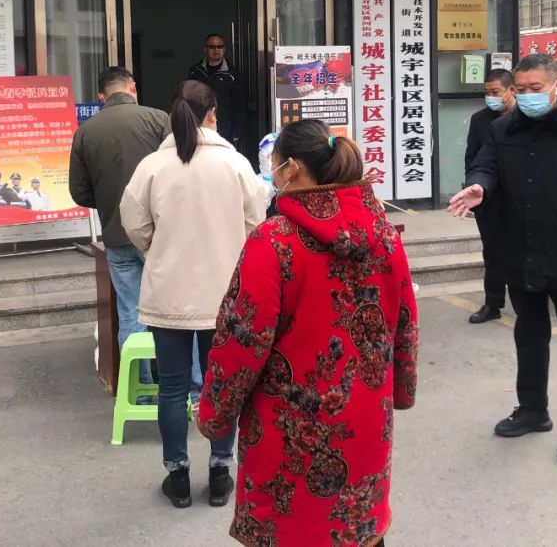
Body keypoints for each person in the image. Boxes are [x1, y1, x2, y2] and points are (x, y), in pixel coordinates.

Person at [198, 119, 419, 546]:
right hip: (367, 418)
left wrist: (216, 414)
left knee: (291, 529)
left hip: (291, 431)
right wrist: (403, 389)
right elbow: (405, 321)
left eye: (275, 163)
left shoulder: (273, 241)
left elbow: (241, 339)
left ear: (293, 168)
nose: (273, 171)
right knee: (358, 527)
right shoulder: (384, 235)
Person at [449, 54, 557, 465]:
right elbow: (485, 167)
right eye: (521, 89)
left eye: (536, 88)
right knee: (528, 338)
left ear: (555, 86)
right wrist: (479, 186)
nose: (527, 96)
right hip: (521, 253)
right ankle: (532, 410)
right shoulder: (501, 130)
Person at [120, 80, 267, 509]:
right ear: (213, 113)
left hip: (168, 295)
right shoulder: (235, 164)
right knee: (221, 386)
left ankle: (178, 476)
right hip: (224, 295)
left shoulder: (152, 166)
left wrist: (158, 248)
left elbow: (134, 224)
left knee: (171, 387)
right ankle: (220, 473)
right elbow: (256, 223)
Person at [69, 67, 168, 393]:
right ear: (133, 88)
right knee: (172, 312)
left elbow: (79, 192)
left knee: (130, 316)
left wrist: (111, 203)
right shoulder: (158, 119)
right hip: (159, 236)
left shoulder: (86, 132)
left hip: (116, 235)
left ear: (102, 96)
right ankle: (177, 388)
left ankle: (137, 392)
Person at [465, 68, 517, 323]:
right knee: (493, 253)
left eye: (495, 92)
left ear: (511, 90)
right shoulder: (480, 120)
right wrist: (474, 189)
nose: (491, 97)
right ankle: (493, 303)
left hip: (521, 198)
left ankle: (528, 304)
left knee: (523, 251)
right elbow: (472, 158)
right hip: (489, 199)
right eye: (487, 92)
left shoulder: (527, 118)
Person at [188, 33, 246, 150]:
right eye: (212, 46)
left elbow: (240, 104)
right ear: (205, 49)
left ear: (224, 49)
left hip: (225, 129)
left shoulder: (233, 73)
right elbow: (188, 100)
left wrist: (237, 131)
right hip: (200, 127)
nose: (216, 50)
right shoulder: (195, 72)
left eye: (219, 46)